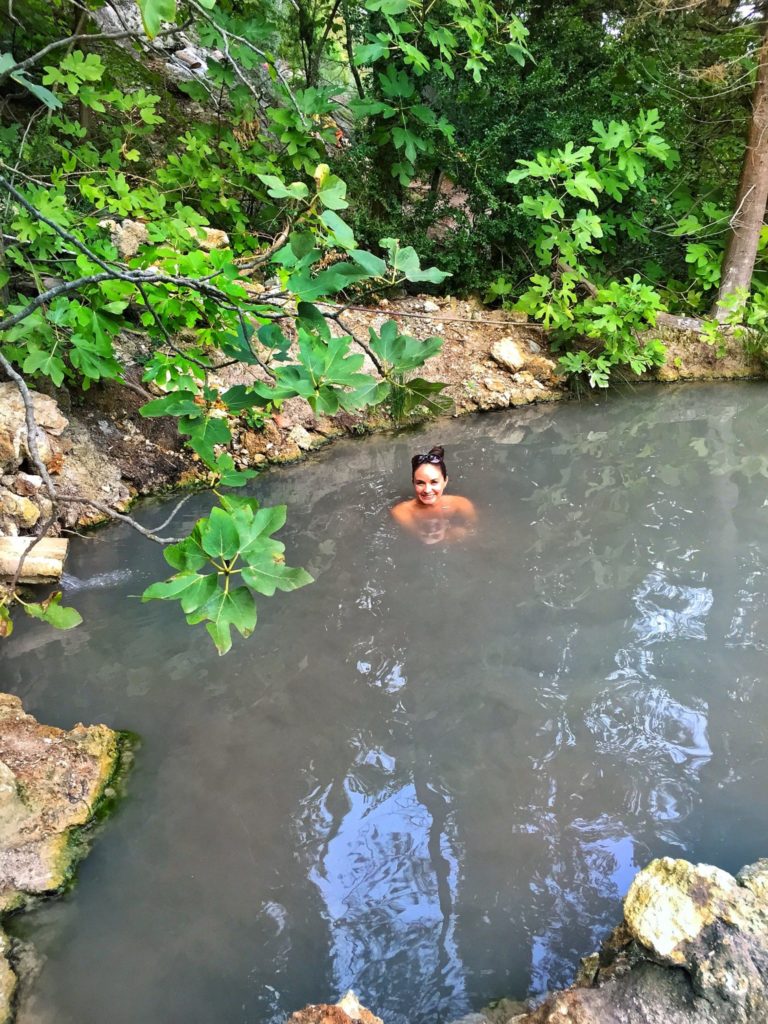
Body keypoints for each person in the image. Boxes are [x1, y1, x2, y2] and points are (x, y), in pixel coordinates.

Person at [391, 445, 477, 544]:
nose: (427, 490)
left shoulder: (461, 504)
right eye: (420, 483)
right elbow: (417, 537)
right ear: (413, 482)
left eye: (434, 482)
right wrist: (451, 535)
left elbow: (474, 530)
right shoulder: (402, 512)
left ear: (445, 481)